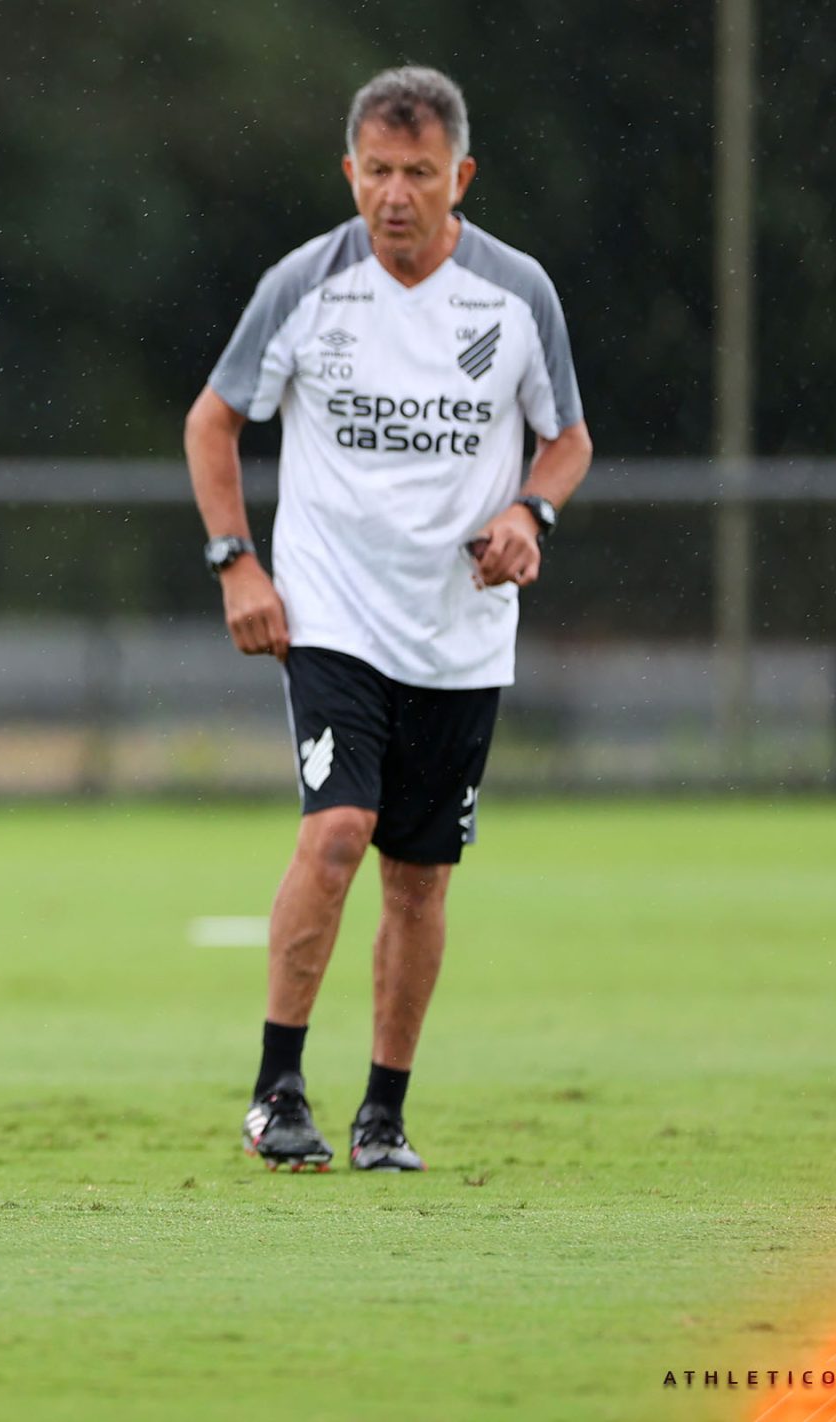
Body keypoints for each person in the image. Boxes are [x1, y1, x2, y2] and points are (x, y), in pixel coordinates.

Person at [185, 67, 593, 1172]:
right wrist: (238, 565)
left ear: (459, 176)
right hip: (331, 616)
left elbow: (566, 438)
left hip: (460, 630)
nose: (396, 194)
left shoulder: (515, 297)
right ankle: (277, 1094)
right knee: (335, 834)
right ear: (349, 172)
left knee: (419, 877)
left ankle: (383, 1115)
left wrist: (530, 513)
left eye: (419, 173)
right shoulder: (304, 285)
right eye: (377, 170)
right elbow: (212, 422)